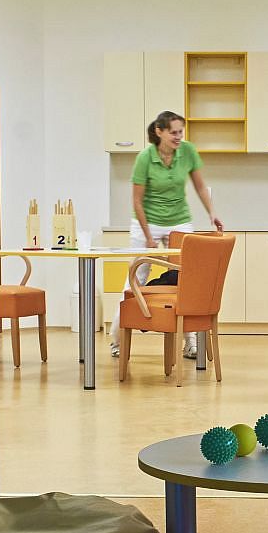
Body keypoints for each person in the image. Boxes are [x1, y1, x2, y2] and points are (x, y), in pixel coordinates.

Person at [109, 111, 223, 359]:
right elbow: (137, 201)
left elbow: (199, 186)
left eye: (181, 131)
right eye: (173, 132)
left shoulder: (187, 151)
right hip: (146, 221)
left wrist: (212, 213)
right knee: (136, 278)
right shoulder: (145, 158)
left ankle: (190, 343)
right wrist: (149, 238)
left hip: (178, 220)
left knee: (187, 278)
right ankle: (117, 340)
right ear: (159, 132)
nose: (178, 136)